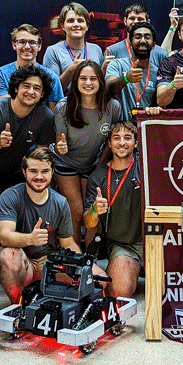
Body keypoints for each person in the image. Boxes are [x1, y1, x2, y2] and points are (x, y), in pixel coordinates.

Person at [0, 148, 104, 303]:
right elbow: (5, 237)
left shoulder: (60, 201)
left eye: (45, 171)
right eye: (33, 171)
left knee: (101, 280)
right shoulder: (10, 196)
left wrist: (82, 265)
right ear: (24, 172)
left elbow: (68, 243)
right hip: (22, 264)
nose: (39, 176)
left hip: (48, 263)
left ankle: (47, 292)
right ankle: (18, 304)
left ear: (52, 172)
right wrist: (30, 239)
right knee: (9, 255)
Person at [0, 65, 56, 217]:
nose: (30, 91)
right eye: (26, 86)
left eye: (36, 88)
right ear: (16, 88)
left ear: (42, 94)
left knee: (18, 213)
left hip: (13, 170)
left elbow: (40, 155)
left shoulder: (45, 115)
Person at [53, 60, 122, 243]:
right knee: (75, 211)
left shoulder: (112, 106)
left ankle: (91, 259)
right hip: (66, 163)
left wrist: (98, 169)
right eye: (83, 78)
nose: (88, 83)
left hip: (93, 164)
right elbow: (59, 145)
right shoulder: (63, 106)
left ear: (100, 81)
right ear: (76, 82)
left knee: (92, 211)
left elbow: (110, 143)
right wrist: (60, 148)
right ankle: (72, 257)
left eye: (93, 78)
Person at [83, 121, 143, 298]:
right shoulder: (98, 177)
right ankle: (130, 270)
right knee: (118, 291)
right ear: (109, 144)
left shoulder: (147, 166)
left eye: (128, 138)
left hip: (155, 241)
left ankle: (137, 271)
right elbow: (88, 221)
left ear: (136, 143)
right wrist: (94, 210)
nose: (122, 143)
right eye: (116, 138)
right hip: (124, 246)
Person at [0, 24, 63, 108]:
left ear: (39, 46)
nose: (27, 47)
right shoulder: (1, 74)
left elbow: (54, 114)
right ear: (14, 45)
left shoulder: (51, 77)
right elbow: (5, 108)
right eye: (22, 42)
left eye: (32, 42)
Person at [42, 2, 103, 92]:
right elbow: (51, 91)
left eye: (80, 21)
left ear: (87, 26)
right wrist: (71, 70)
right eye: (70, 21)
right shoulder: (53, 51)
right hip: (67, 104)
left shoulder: (96, 49)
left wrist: (104, 68)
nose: (76, 24)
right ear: (63, 26)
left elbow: (100, 85)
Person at [106, 22, 162, 113]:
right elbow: (108, 89)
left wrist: (155, 109)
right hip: (119, 126)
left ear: (153, 45)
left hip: (143, 125)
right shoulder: (117, 64)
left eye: (147, 37)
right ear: (130, 44)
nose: (143, 41)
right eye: (138, 37)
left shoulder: (157, 72)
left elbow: (157, 103)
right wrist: (126, 78)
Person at [105, 3, 169, 64]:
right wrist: (104, 68)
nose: (135, 22)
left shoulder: (161, 54)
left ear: (148, 22)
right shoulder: (112, 51)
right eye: (132, 18)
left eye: (140, 19)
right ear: (125, 21)